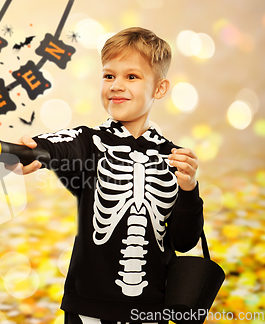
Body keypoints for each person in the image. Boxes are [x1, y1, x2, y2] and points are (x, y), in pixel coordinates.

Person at [12, 27, 204, 324]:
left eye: (132, 76)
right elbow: (53, 147)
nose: (116, 85)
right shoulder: (88, 143)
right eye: (108, 75)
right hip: (88, 308)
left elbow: (184, 240)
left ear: (160, 88)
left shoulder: (175, 157)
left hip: (152, 308)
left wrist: (189, 189)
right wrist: (30, 153)